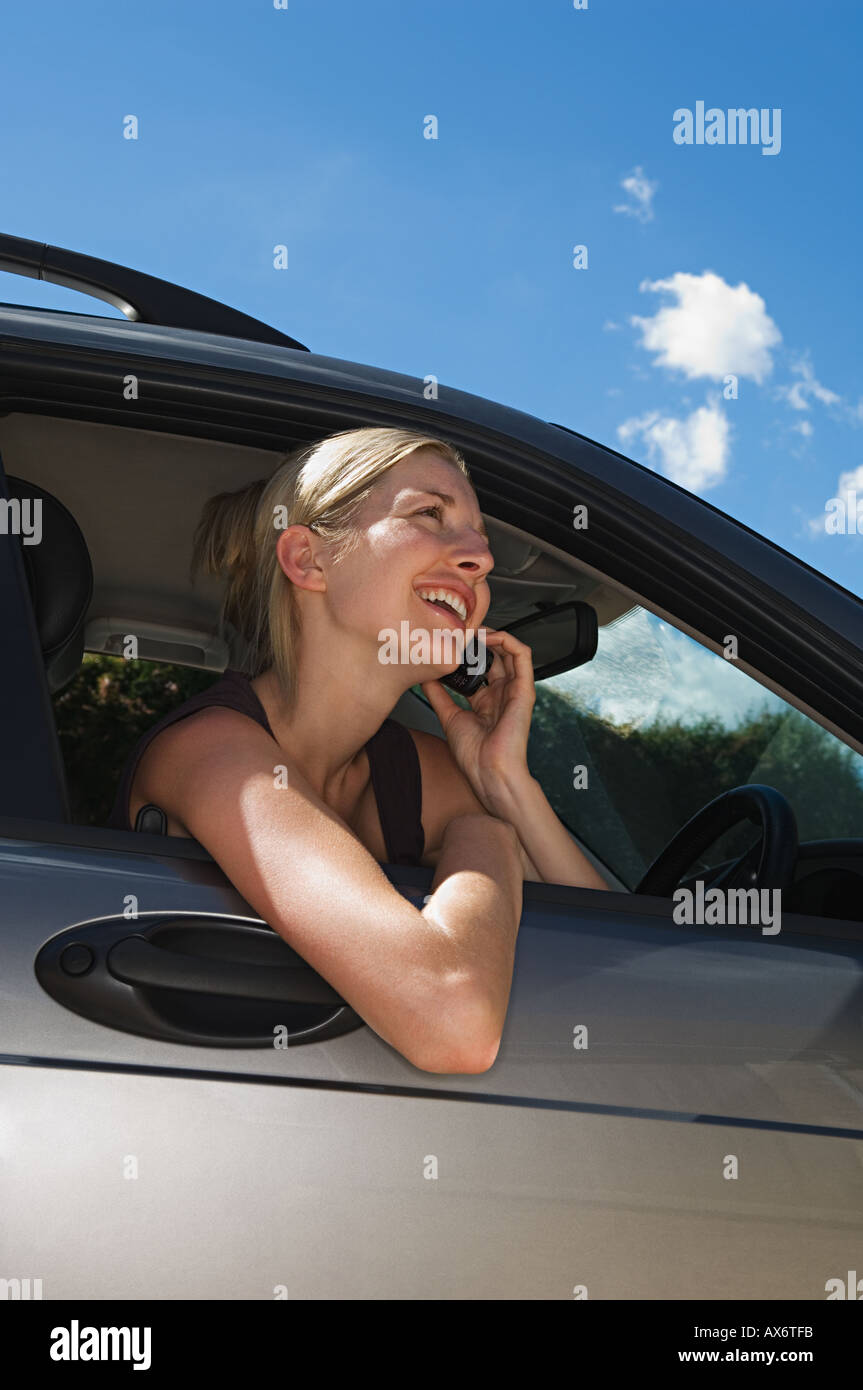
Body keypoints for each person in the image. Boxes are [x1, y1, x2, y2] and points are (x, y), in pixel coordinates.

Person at [110, 426, 609, 1073]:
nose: (480, 559)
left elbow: (612, 961)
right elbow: (453, 1022)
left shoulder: (420, 768)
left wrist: (503, 785)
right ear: (308, 561)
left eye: (480, 540)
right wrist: (492, 838)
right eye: (430, 513)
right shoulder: (210, 755)